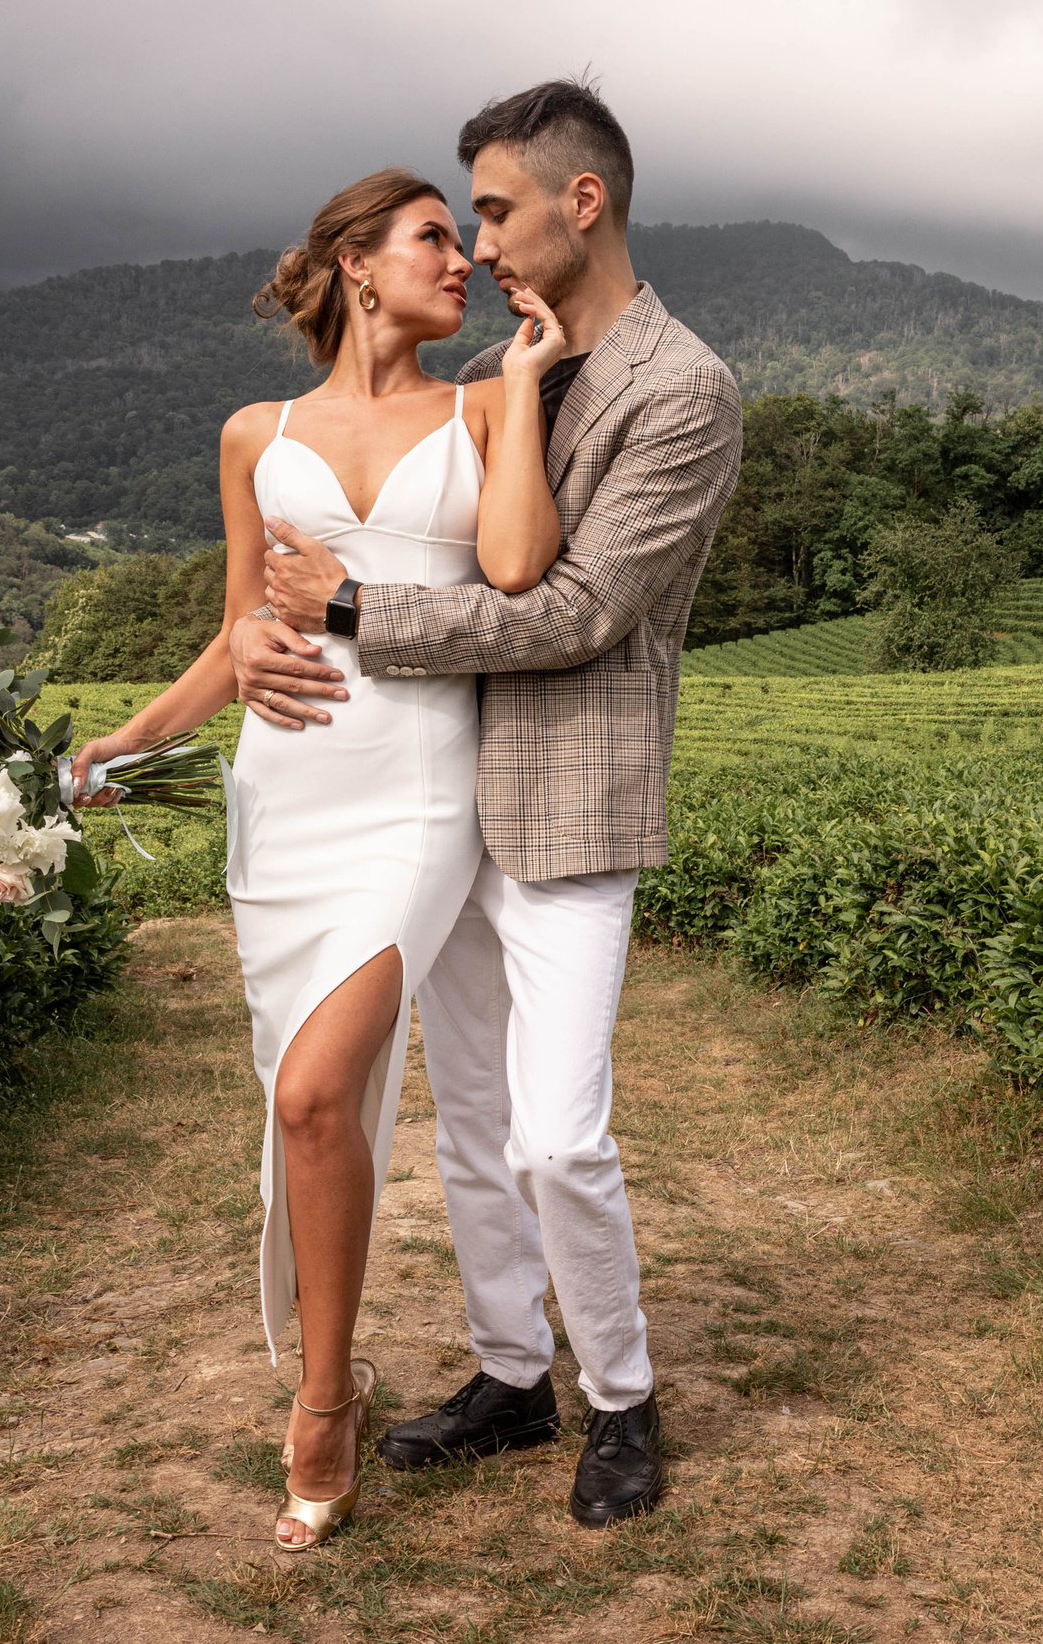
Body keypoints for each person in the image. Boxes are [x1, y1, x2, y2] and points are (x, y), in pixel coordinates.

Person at [233, 77, 743, 1530]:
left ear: (585, 202)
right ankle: (514, 1373)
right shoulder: (507, 367)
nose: (486, 246)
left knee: (555, 1133)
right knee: (466, 1118)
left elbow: (576, 610)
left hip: (574, 797)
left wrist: (344, 609)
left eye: (502, 213)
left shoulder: (683, 389)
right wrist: (266, 638)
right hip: (439, 797)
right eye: (466, 223)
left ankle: (624, 1398)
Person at [67, 166, 573, 1550]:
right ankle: (334, 1373)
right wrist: (123, 742)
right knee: (306, 1107)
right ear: (356, 263)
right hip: (282, 801)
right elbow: (235, 640)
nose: (459, 261)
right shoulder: (253, 434)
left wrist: (524, 379)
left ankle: (324, 1395)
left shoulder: (482, 404)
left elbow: (521, 570)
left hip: (418, 796)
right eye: (430, 239)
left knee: (310, 1093)